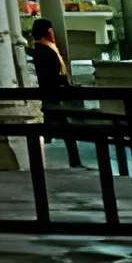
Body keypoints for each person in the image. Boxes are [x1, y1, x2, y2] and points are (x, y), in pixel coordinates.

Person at [28, 15, 84, 169]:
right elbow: (49, 75)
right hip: (51, 96)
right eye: (51, 30)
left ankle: (73, 160)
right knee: (66, 130)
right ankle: (74, 161)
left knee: (57, 129)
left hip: (51, 96)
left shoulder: (45, 48)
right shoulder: (44, 51)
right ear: (46, 32)